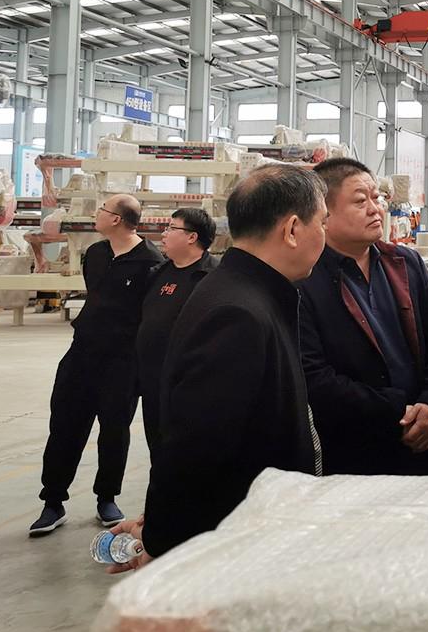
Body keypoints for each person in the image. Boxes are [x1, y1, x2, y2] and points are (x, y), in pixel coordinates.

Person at [124, 164, 329, 563]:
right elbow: (193, 448)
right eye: (322, 222)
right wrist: (162, 541)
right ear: (292, 230)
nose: (325, 233)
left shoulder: (251, 292)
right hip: (240, 542)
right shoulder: (238, 313)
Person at [298, 157, 428, 476]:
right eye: (361, 201)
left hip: (424, 441)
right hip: (355, 453)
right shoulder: (305, 281)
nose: (376, 209)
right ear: (325, 214)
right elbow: (313, 376)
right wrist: (396, 410)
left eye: (377, 198)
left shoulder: (405, 263)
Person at [30, 194, 162, 537]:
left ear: (117, 219)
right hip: (82, 353)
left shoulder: (150, 262)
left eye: (102, 210)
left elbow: (150, 315)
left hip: (122, 359)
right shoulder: (96, 253)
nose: (96, 214)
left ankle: (107, 497)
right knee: (64, 426)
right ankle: (53, 501)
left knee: (114, 429)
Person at [135, 208, 217, 456]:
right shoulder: (158, 273)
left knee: (187, 451)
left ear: (192, 237)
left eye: (171, 228)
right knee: (157, 447)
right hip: (153, 382)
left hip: (190, 384)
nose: (164, 234)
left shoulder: (213, 277)